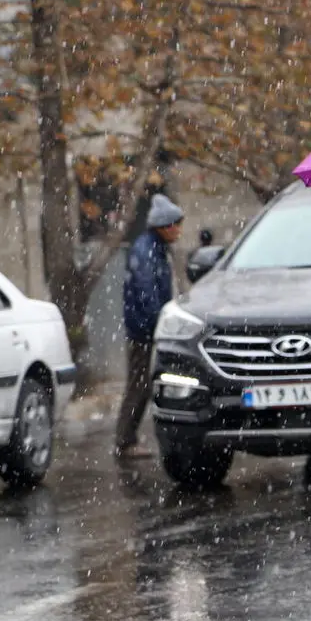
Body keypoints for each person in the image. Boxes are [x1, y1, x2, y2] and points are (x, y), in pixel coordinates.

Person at [116, 193, 184, 458]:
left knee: (142, 384)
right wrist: (160, 324)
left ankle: (127, 439)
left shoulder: (152, 248)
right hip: (144, 330)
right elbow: (147, 294)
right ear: (165, 226)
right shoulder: (146, 251)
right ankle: (125, 441)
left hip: (146, 328)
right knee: (139, 385)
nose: (179, 230)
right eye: (176, 224)